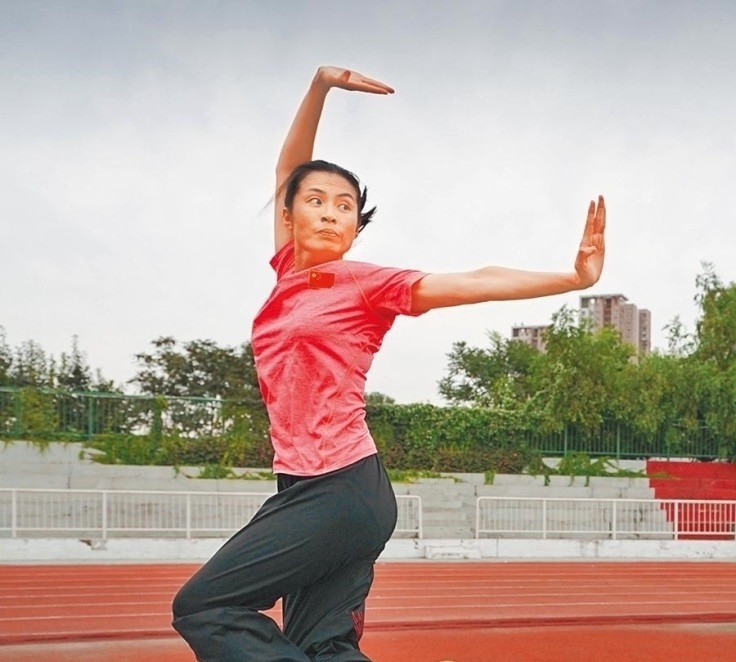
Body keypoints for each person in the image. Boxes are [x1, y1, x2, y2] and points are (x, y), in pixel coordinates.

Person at [171, 66, 606, 662]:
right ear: (290, 216)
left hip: (342, 490)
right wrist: (320, 85)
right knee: (323, 648)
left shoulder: (366, 285)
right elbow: (288, 169)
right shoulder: (287, 274)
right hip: (310, 488)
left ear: (354, 227)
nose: (329, 213)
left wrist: (571, 277)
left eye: (345, 206)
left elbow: (475, 280)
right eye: (315, 201)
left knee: (204, 606)